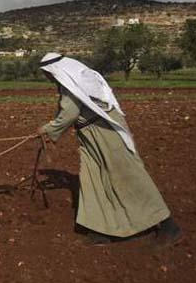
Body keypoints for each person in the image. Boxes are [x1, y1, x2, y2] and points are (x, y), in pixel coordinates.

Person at [37, 52, 182, 246]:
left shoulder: (70, 85)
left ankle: (168, 225)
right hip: (94, 134)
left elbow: (69, 113)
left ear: (54, 71)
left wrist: (48, 130)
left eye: (47, 73)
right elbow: (68, 110)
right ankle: (101, 230)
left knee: (127, 173)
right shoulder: (77, 79)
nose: (47, 76)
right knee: (94, 177)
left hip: (104, 133)